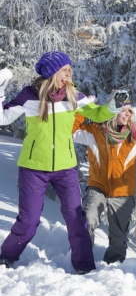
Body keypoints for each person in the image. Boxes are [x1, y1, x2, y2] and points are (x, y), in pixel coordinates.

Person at [0, 51, 122, 274]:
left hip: (65, 168)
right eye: (64, 70)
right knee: (29, 221)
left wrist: (114, 106)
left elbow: (99, 114)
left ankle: (84, 266)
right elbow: (3, 117)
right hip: (33, 168)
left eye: (69, 71)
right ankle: (6, 256)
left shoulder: (73, 95)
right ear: (52, 73)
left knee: (76, 218)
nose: (68, 75)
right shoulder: (29, 96)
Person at [72, 96, 136, 264]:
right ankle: (81, 258)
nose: (127, 114)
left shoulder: (135, 134)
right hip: (98, 186)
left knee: (118, 234)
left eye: (129, 111)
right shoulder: (95, 130)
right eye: (123, 110)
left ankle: (114, 266)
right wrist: (84, 109)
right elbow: (72, 132)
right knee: (89, 218)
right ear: (112, 110)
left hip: (123, 191)